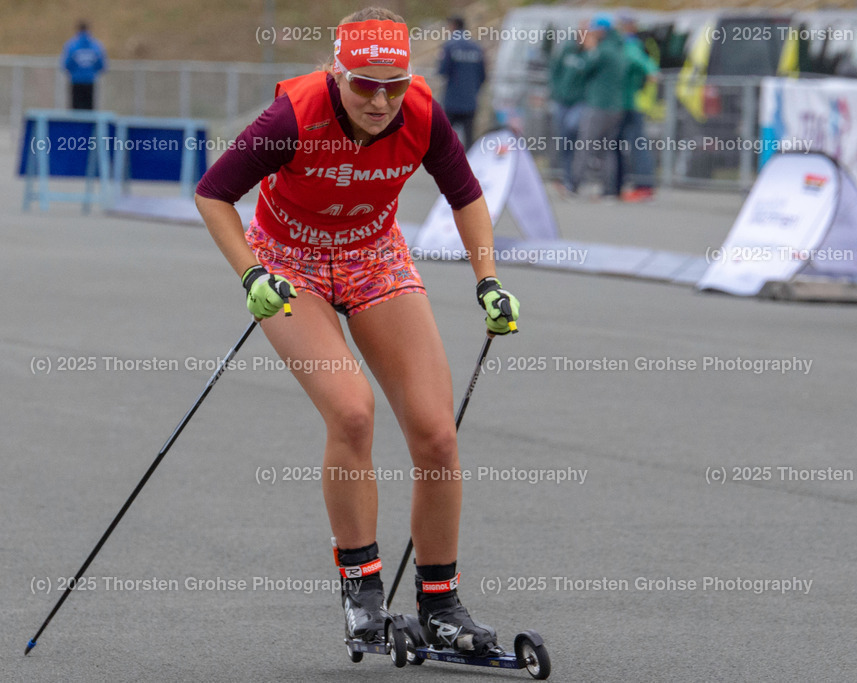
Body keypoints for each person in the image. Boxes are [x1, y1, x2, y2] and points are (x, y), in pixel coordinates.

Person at [194, 7, 520, 655]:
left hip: (374, 255)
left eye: (393, 83)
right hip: (291, 264)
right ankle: (363, 594)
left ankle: (441, 605)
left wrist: (488, 281)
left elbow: (466, 195)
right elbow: (213, 193)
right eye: (364, 84)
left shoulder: (422, 113)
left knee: (435, 433)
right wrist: (250, 273)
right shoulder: (293, 115)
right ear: (336, 73)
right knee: (352, 413)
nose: (380, 99)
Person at [568, 14, 627, 198]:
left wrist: (588, 48)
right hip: (616, 107)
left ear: (601, 31)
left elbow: (582, 67)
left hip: (599, 105)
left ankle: (574, 185)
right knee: (607, 149)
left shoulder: (602, 50)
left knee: (585, 145)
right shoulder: (619, 47)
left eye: (594, 29)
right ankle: (609, 190)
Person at [615, 15, 659, 202]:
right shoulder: (630, 43)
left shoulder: (630, 44)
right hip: (628, 103)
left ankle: (643, 185)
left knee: (637, 144)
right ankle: (628, 184)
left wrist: (651, 72)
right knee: (628, 144)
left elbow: (644, 63)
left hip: (631, 103)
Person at [548, 26, 587, 193]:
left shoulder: (591, 53)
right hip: (562, 102)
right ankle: (566, 178)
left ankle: (575, 179)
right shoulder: (567, 49)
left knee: (573, 130)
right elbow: (554, 71)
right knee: (564, 141)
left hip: (580, 103)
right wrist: (556, 92)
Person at [437, 15, 487, 147]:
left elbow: (442, 71)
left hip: (452, 101)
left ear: (453, 26)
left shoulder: (449, 46)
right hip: (470, 101)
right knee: (469, 139)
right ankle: (469, 165)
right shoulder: (476, 47)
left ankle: (444, 166)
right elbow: (483, 76)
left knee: (443, 138)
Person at [61, 21, 107, 110]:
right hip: (90, 82)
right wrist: (91, 72)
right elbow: (101, 65)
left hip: (76, 82)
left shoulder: (72, 45)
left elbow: (66, 64)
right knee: (89, 111)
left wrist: (75, 73)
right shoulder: (96, 45)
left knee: (76, 111)